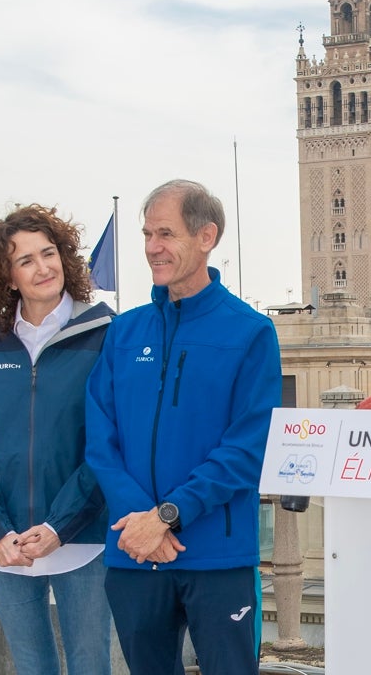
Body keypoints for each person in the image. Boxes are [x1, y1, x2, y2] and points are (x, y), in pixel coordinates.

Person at [86, 179, 282, 675]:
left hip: (217, 557)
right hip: (134, 552)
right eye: (148, 234)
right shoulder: (124, 332)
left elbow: (248, 446)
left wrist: (169, 515)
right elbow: (99, 438)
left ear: (206, 236)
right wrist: (142, 522)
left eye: (166, 234)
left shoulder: (251, 331)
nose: (153, 247)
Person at [0, 205, 115, 675]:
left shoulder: (105, 331)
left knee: (90, 665)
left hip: (82, 538)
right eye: (25, 260)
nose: (43, 267)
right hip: (2, 545)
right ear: (7, 275)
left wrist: (60, 526)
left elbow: (108, 444)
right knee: (31, 666)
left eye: (49, 253)